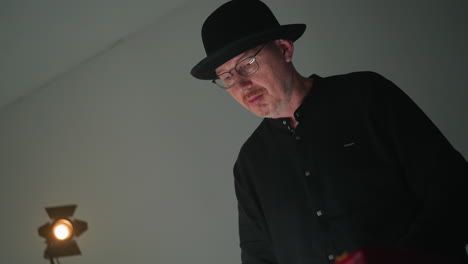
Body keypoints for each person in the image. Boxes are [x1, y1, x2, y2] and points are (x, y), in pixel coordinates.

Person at [190, 1, 468, 263]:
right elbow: (258, 257)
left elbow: (453, 189)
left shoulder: (367, 96)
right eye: (226, 76)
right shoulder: (250, 163)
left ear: (285, 49)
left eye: (248, 64)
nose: (240, 85)